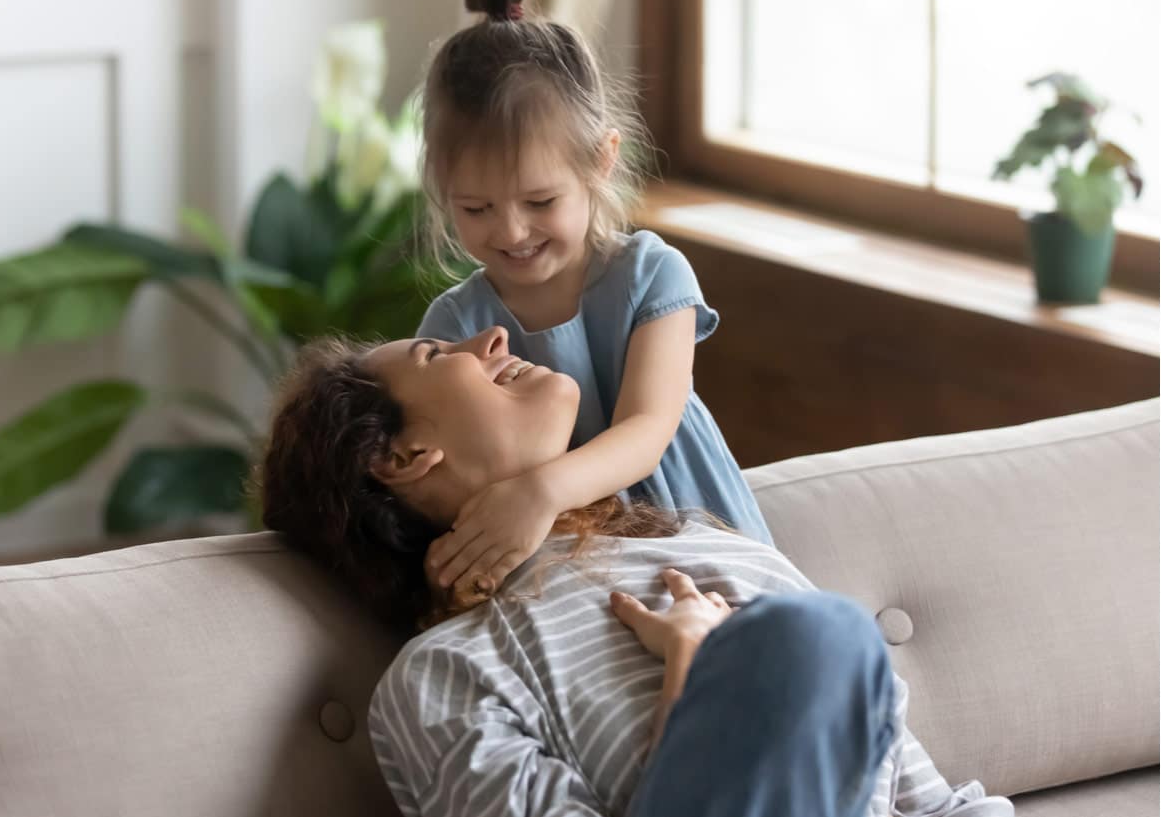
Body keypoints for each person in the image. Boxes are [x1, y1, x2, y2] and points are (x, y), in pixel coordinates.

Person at [256, 327, 1014, 817]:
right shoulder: (446, 676)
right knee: (817, 638)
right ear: (399, 457)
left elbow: (938, 805)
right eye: (435, 352)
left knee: (818, 636)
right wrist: (691, 674)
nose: (489, 336)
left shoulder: (715, 549)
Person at [411, 0, 773, 603]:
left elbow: (649, 426)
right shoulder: (455, 323)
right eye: (476, 208)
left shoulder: (652, 276)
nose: (511, 230)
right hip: (565, 569)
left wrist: (540, 490)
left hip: (694, 531)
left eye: (540, 201)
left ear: (602, 161)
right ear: (443, 190)